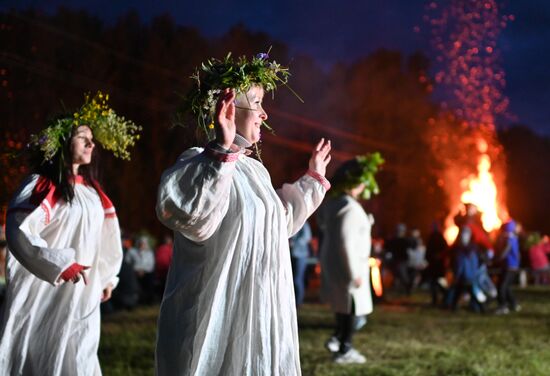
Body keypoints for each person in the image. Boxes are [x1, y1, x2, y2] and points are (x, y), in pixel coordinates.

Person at [155, 53, 332, 375]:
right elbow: (191, 217)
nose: (265, 114)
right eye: (257, 103)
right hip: (222, 309)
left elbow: (278, 223)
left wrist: (312, 181)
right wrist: (220, 154)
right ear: (228, 107)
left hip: (262, 308)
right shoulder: (197, 161)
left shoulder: (254, 170)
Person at [0, 91, 140, 375]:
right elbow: (20, 229)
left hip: (82, 294)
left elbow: (107, 239)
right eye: (82, 137)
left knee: (79, 356)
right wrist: (60, 263)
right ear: (64, 142)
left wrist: (107, 276)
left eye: (91, 138)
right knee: (42, 353)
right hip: (45, 292)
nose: (91, 143)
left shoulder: (93, 194)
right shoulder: (42, 185)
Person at [317, 153, 383, 364]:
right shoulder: (350, 207)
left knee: (344, 308)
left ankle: (338, 340)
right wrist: (353, 272)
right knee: (352, 309)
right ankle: (344, 348)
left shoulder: (335, 204)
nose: (364, 188)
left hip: (334, 263)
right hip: (349, 265)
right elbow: (346, 241)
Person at [448, 226, 485, 313]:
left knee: (471, 292)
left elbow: (461, 264)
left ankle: (480, 308)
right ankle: (454, 307)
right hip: (466, 276)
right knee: (461, 291)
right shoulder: (460, 249)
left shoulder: (471, 249)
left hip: (468, 275)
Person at [495, 219, 521, 314]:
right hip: (513, 267)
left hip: (509, 267)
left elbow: (505, 252)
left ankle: (503, 306)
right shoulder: (515, 238)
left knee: (501, 286)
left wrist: (497, 259)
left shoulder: (510, 239)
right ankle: (514, 304)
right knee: (507, 287)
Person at [425, 221, 449, 306]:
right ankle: (435, 299)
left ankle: (446, 295)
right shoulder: (431, 238)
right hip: (433, 265)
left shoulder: (440, 238)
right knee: (433, 283)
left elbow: (445, 250)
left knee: (440, 282)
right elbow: (428, 251)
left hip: (439, 265)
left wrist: (440, 256)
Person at [126, 235, 156, 304]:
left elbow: (151, 265)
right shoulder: (132, 251)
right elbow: (127, 263)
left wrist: (143, 271)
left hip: (147, 273)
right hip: (134, 273)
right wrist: (137, 270)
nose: (142, 245)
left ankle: (148, 300)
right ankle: (137, 301)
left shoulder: (149, 253)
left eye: (144, 243)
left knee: (149, 283)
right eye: (141, 243)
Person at [289, 221, 312, 306]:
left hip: (300, 255)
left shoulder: (304, 223)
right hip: (292, 254)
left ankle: (298, 302)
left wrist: (293, 243)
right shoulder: (292, 222)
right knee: (293, 279)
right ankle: (294, 301)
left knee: (297, 279)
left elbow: (307, 237)